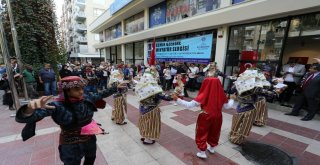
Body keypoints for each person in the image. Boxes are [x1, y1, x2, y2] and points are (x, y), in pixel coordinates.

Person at [15, 76, 127, 165]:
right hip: (70, 143)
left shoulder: (86, 98)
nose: (81, 92)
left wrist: (117, 87)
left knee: (91, 159)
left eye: (82, 88)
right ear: (66, 91)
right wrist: (29, 110)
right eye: (77, 89)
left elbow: (102, 94)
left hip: (89, 138)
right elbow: (30, 117)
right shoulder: (57, 105)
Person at [172, 77, 227, 159]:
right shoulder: (222, 94)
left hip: (205, 115)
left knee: (202, 133)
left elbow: (189, 105)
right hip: (218, 116)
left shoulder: (204, 94)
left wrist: (177, 100)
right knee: (215, 131)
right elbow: (228, 106)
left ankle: (202, 152)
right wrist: (232, 99)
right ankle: (212, 148)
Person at [228, 69, 279, 144]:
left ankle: (233, 135)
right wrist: (276, 92)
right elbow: (270, 94)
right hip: (249, 109)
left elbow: (230, 91)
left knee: (237, 122)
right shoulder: (255, 87)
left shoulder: (239, 83)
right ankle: (238, 139)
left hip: (240, 107)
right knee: (244, 126)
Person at [135, 69, 172, 145]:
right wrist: (174, 95)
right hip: (151, 110)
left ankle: (144, 136)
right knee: (151, 124)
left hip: (142, 108)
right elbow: (165, 97)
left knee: (144, 122)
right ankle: (147, 140)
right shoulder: (153, 88)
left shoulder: (141, 86)